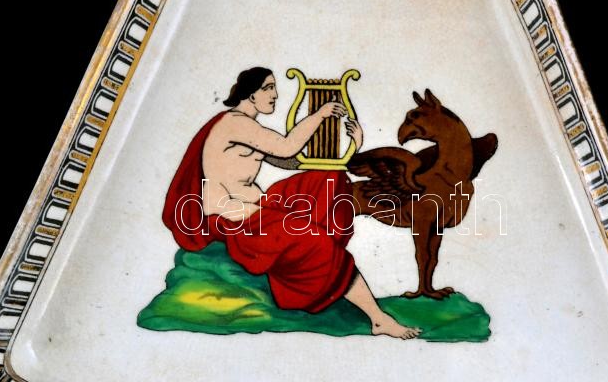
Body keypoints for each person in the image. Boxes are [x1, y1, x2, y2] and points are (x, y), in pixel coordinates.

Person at [162, 66, 422, 339]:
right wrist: (320, 114)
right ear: (251, 95)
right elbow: (287, 147)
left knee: (327, 179)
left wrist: (352, 148)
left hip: (258, 207)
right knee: (314, 241)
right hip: (233, 219)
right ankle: (378, 318)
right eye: (268, 88)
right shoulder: (234, 124)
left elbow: (294, 161)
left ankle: (325, 250)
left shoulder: (249, 127)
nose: (275, 95)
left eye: (274, 88)